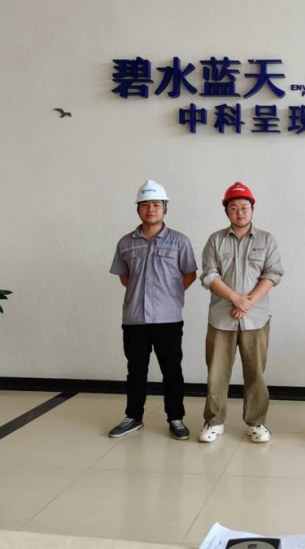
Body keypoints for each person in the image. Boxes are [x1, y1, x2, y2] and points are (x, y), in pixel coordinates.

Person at [108, 180, 198, 440]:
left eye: (156, 204)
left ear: (165, 208)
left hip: (168, 319)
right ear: (138, 208)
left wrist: (168, 296)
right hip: (134, 319)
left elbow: (189, 274)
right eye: (145, 204)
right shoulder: (126, 243)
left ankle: (176, 418)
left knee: (172, 371)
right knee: (136, 371)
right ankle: (133, 417)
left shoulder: (180, 241)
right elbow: (125, 277)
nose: (151, 209)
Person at [199, 182, 284, 444]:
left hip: (256, 319)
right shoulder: (215, 240)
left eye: (244, 207)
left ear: (252, 209)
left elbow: (273, 273)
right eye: (233, 208)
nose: (239, 213)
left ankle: (256, 423)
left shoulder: (266, 239)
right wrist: (234, 298)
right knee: (216, 374)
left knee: (255, 373)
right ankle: (214, 421)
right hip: (221, 319)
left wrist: (248, 302)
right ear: (226, 211)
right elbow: (209, 274)